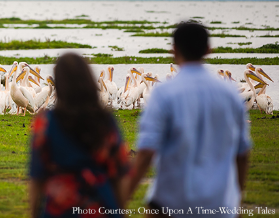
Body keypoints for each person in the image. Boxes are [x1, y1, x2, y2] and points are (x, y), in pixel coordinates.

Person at [128, 22, 251, 217]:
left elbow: (146, 151)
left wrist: (122, 198)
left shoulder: (163, 93)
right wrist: (236, 200)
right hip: (220, 206)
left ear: (174, 50)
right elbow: (242, 154)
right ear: (208, 50)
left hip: (171, 205)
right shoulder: (230, 94)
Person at [29, 53, 130, 218]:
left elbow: (37, 177)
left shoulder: (45, 122)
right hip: (100, 208)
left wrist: (35, 213)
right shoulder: (106, 120)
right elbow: (119, 174)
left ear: (60, 84)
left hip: (60, 209)